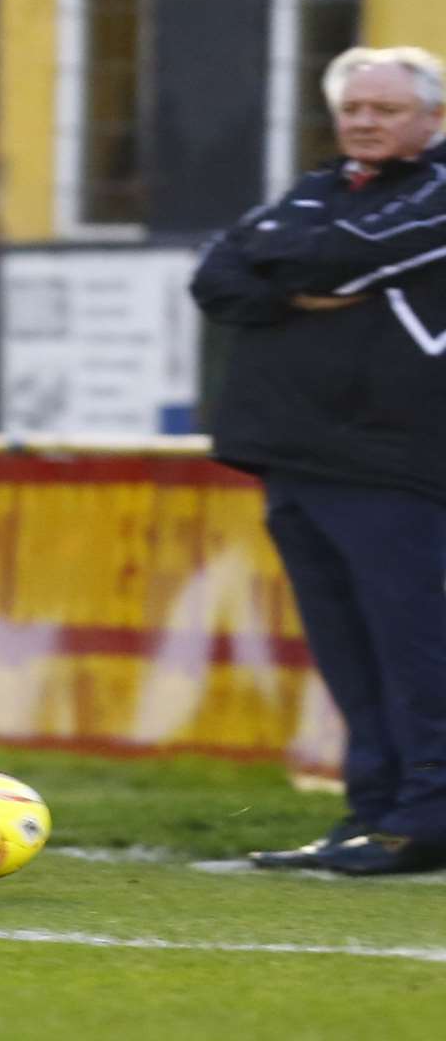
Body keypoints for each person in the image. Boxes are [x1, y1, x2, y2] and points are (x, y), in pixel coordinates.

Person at [191, 46, 446, 876]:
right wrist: (287, 283)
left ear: (432, 119)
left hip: (392, 459)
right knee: (346, 649)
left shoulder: (436, 193)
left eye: (386, 109)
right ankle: (373, 813)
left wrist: (286, 267)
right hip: (295, 454)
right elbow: (217, 276)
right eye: (353, 108)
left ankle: (427, 817)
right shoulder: (315, 189)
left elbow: (339, 257)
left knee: (413, 647)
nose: (365, 122)